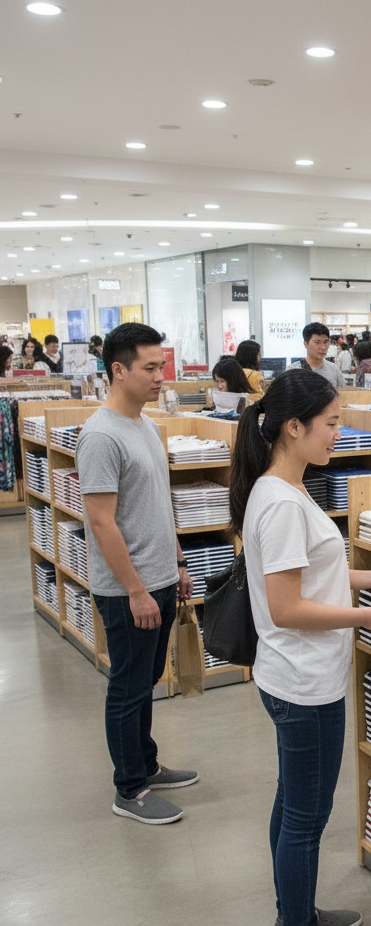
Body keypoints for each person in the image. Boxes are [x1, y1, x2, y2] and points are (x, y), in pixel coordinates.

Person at [228, 370, 371, 926]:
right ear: (293, 426)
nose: (339, 433)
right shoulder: (282, 502)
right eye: (331, 423)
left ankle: (294, 914)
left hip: (294, 675)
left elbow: (305, 573)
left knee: (292, 803)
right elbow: (286, 607)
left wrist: (365, 578)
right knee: (306, 817)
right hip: (303, 682)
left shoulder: (280, 486)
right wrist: (367, 616)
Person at [75, 323, 198, 825]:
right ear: (118, 370)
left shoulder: (146, 424)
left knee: (146, 681)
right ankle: (129, 789)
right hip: (130, 590)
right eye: (150, 368)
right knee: (128, 688)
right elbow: (101, 521)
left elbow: (157, 504)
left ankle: (145, 764)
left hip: (159, 579)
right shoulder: (100, 436)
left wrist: (178, 562)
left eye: (161, 366)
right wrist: (135, 590)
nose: (160, 376)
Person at [289, 323, 343, 388]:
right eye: (317, 342)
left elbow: (344, 392)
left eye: (326, 342)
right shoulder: (293, 371)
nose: (323, 347)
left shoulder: (334, 370)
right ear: (306, 344)